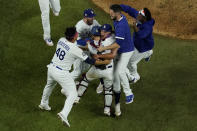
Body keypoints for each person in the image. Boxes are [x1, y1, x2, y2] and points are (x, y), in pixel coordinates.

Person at [38, 27, 111, 127]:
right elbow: (89, 61)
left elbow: (72, 48)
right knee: (73, 94)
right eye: (76, 33)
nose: (77, 34)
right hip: (61, 73)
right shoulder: (74, 49)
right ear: (74, 36)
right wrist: (105, 62)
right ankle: (64, 114)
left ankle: (43, 103)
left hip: (51, 68)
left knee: (49, 86)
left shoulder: (61, 40)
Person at [98, 4, 135, 116]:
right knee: (119, 68)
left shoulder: (122, 25)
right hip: (121, 49)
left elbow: (118, 44)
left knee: (119, 71)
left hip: (126, 50)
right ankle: (131, 77)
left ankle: (129, 94)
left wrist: (103, 48)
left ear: (117, 13)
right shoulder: (117, 19)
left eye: (112, 13)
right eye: (110, 13)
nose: (110, 15)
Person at [75, 25, 117, 116]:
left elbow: (87, 46)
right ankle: (106, 109)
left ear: (93, 35)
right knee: (108, 90)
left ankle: (77, 98)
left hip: (96, 69)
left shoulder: (91, 44)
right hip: (109, 70)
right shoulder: (109, 42)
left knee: (85, 79)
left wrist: (80, 47)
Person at [120, 4, 155, 83]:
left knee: (131, 61)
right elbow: (130, 10)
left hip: (143, 47)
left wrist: (135, 27)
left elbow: (141, 35)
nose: (137, 15)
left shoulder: (148, 27)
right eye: (138, 13)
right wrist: (119, 7)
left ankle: (135, 76)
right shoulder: (141, 18)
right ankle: (149, 53)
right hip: (138, 43)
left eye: (139, 15)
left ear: (144, 18)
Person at [70, 9, 101, 82]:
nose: (93, 18)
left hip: (87, 48)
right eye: (91, 17)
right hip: (78, 49)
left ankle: (79, 79)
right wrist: (91, 43)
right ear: (85, 17)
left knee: (87, 66)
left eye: (93, 16)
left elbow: (101, 29)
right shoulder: (79, 26)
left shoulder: (94, 22)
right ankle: (67, 83)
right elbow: (78, 41)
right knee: (77, 71)